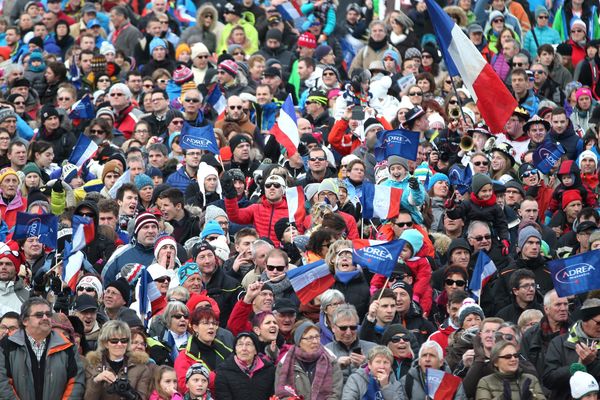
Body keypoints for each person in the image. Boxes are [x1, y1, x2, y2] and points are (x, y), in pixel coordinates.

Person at [0, 297, 85, 400]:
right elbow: (2, 383)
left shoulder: (67, 347)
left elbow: (76, 383)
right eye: (39, 315)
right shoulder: (6, 345)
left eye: (48, 314)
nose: (45, 317)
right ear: (25, 320)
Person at [84, 320, 153, 399]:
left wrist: (127, 391)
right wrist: (96, 381)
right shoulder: (93, 365)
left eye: (124, 340)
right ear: (105, 343)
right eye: (114, 341)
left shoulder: (141, 368)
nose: (119, 344)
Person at [274, 321, 343, 399]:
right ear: (299, 342)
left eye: (317, 336)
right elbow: (281, 394)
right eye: (310, 338)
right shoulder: (284, 363)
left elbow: (335, 394)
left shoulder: (331, 361)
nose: (315, 341)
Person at [214, 332, 276, 400]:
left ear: (255, 350)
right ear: (235, 350)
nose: (244, 348)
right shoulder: (223, 371)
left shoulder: (269, 370)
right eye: (240, 344)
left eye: (248, 344)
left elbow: (273, 395)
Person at [476, 340, 546, 399]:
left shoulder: (531, 379)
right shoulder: (486, 382)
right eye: (508, 357)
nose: (513, 359)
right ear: (495, 362)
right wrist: (501, 398)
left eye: (516, 356)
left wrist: (532, 398)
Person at [399, 340, 466, 399]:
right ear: (419, 361)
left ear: (441, 362)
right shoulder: (406, 382)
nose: (427, 359)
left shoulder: (454, 384)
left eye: (432, 355)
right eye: (424, 355)